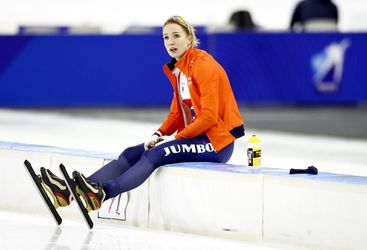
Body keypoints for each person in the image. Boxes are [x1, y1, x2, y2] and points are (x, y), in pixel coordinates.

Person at [40, 15, 245, 212]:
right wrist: (158, 134)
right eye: (166, 37)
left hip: (217, 143)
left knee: (155, 154)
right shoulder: (179, 70)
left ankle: (103, 193)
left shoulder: (203, 65)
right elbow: (176, 114)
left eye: (176, 36)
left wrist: (175, 138)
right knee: (131, 153)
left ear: (189, 39)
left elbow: (208, 117)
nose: (170, 41)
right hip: (196, 138)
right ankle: (68, 193)